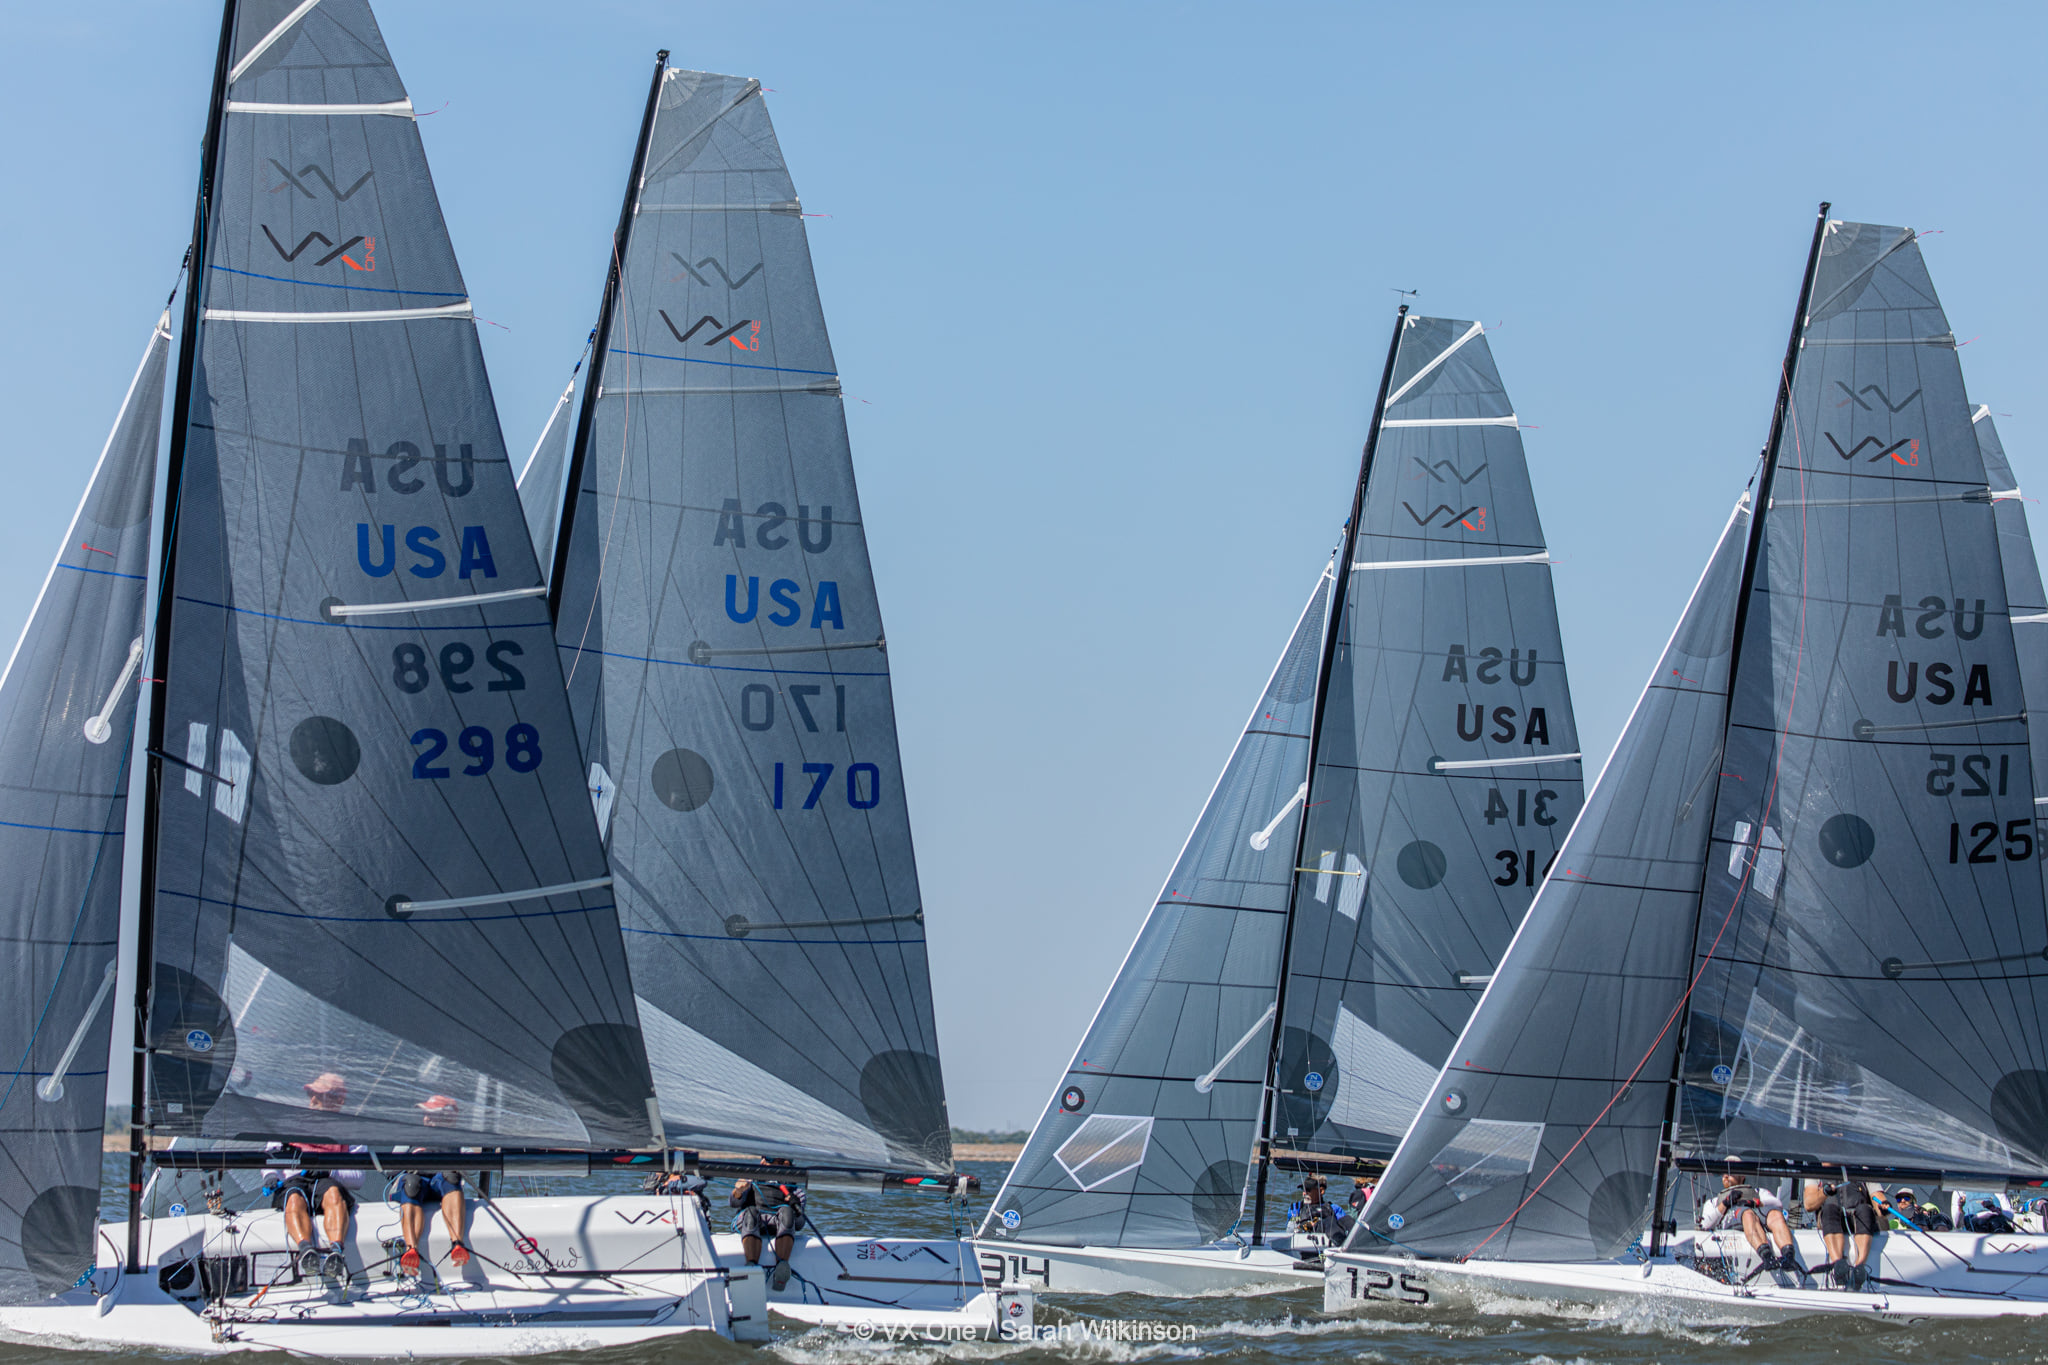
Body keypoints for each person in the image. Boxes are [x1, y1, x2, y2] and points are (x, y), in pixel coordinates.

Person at [266, 1073, 367, 1282]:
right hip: (296, 1179)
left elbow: (358, 1178)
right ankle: (305, 1250)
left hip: (327, 1180)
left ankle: (336, 1250)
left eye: (319, 1096)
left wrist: (328, 1171)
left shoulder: (351, 1131)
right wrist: (269, 1177)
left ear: (339, 1100)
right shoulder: (289, 1123)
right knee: (293, 1198)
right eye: (312, 1094)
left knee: (333, 1194)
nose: (312, 1099)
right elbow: (271, 1155)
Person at [393, 1095, 471, 1275]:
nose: (426, 1118)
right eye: (425, 1114)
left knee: (451, 1177)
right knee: (410, 1183)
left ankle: (457, 1244)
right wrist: (415, 1155)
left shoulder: (458, 1139)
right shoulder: (412, 1135)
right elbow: (389, 1169)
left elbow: (473, 1169)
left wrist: (447, 1153)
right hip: (418, 1182)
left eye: (432, 1115)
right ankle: (411, 1250)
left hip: (441, 1184)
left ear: (447, 1118)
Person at [1700, 1173, 1799, 1276]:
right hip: (1737, 1219)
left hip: (1756, 1215)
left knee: (1776, 1214)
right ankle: (1767, 1256)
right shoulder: (1714, 1202)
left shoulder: (1758, 1192)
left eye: (1731, 1173)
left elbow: (1777, 1204)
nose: (1726, 1176)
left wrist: (1756, 1202)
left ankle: (1788, 1255)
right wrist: (1725, 1203)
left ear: (1742, 1176)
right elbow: (1705, 1224)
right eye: (1724, 1173)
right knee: (1748, 1214)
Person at [731, 1161, 805, 1291]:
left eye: (782, 1162)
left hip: (778, 1223)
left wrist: (796, 1206)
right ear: (763, 1161)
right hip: (751, 1221)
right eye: (773, 1161)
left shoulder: (795, 1189)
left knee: (787, 1213)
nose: (778, 1165)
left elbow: (799, 1224)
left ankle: (782, 1268)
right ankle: (751, 1267)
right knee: (750, 1213)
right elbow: (733, 1203)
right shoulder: (750, 1179)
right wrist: (738, 1191)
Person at [1808, 1179, 1880, 1290]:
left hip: (1858, 1219)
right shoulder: (1815, 1174)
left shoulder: (1865, 1170)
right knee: (1829, 1209)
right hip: (1832, 1219)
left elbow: (1878, 1197)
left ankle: (1860, 1267)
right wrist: (1824, 1192)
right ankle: (1838, 1264)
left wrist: (1883, 1206)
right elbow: (1809, 1204)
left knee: (1865, 1210)